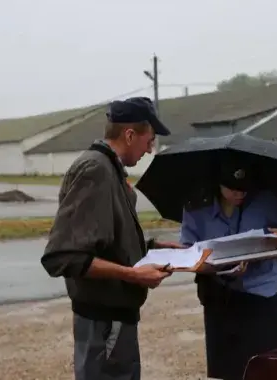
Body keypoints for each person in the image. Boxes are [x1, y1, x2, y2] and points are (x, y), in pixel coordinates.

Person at [41, 97, 182, 380]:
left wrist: (152, 248)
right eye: (149, 140)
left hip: (113, 318)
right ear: (130, 135)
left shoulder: (110, 170)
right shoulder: (97, 170)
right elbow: (66, 256)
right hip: (103, 321)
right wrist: (133, 274)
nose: (150, 149)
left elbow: (105, 241)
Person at [180, 158, 277, 380]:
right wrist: (219, 268)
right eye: (232, 190)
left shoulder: (265, 200)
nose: (239, 195)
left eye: (244, 190)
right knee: (225, 371)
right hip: (220, 299)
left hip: (262, 296)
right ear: (218, 184)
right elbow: (188, 254)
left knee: (264, 368)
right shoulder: (197, 207)